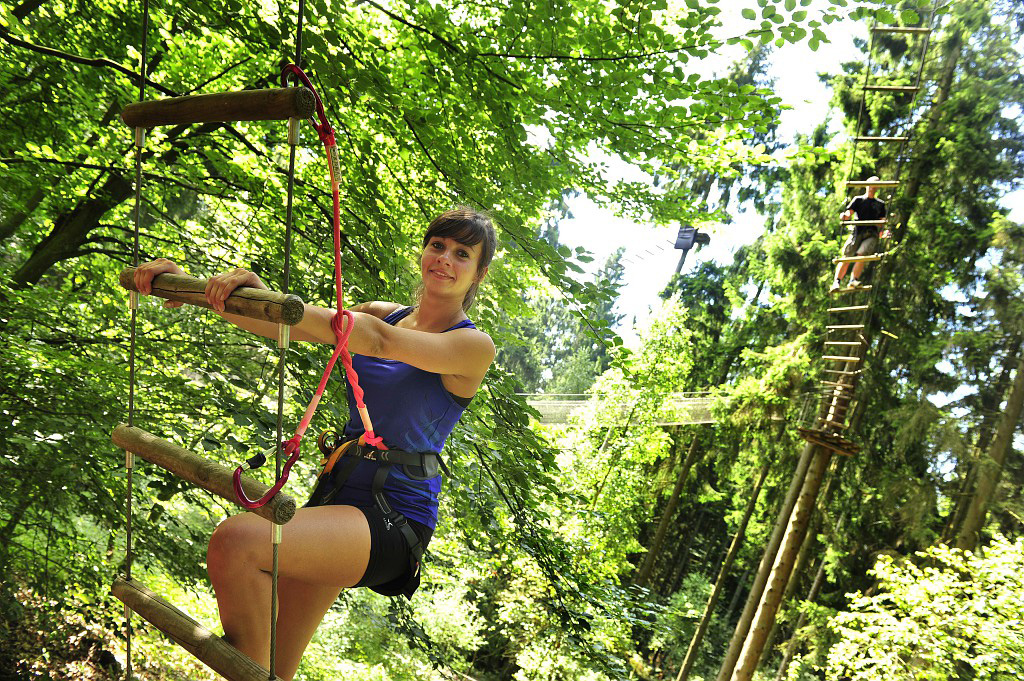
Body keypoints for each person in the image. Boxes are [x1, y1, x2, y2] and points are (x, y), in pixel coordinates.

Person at [132, 207, 497, 680]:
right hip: (337, 498)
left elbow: (378, 343)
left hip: (393, 516)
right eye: (438, 245)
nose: (445, 258)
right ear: (424, 251)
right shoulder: (386, 314)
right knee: (276, 664)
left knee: (236, 541)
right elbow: (289, 325)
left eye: (462, 254)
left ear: (478, 273)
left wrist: (287, 307)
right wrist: (200, 290)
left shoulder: (472, 346)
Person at [830, 176, 887, 292]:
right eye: (871, 184)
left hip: (871, 234)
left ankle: (853, 280)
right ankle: (836, 282)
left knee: (862, 255)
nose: (873, 187)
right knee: (847, 257)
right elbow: (849, 213)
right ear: (866, 185)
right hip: (857, 232)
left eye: (876, 184)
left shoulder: (880, 204)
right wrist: (844, 216)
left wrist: (883, 228)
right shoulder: (858, 200)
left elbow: (882, 222)